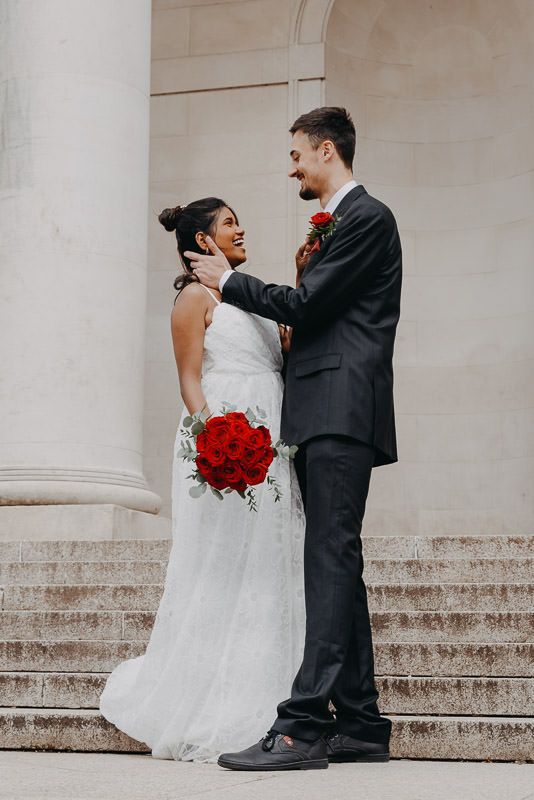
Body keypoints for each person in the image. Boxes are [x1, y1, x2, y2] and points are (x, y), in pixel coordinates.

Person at [190, 106, 402, 771]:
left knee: (328, 557)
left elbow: (308, 306)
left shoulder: (368, 219)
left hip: (342, 408)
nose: (292, 166)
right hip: (319, 410)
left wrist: (229, 283)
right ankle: (362, 722)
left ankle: (303, 725)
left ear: (327, 152)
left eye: (297, 154)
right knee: (339, 560)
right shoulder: (341, 226)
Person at [99, 197, 306, 763]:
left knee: (269, 560)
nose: (242, 228)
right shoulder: (193, 299)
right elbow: (190, 380)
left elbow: (280, 359)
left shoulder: (248, 291)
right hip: (223, 441)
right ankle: (210, 700)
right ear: (204, 242)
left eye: (240, 219)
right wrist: (213, 442)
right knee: (221, 563)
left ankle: (276, 698)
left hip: (272, 438)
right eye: (229, 224)